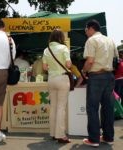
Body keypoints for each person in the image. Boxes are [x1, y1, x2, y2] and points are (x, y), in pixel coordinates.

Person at [81, 19, 118, 147]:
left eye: (86, 30)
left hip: (96, 76)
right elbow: (116, 59)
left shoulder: (91, 40)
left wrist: (83, 71)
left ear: (91, 28)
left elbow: (90, 61)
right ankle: (108, 137)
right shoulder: (110, 40)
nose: (85, 32)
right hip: (109, 76)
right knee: (108, 108)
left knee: (92, 108)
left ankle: (94, 139)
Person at [42, 29, 72, 143]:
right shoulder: (64, 48)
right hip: (62, 78)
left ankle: (53, 133)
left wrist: (53, 69)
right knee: (61, 108)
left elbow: (44, 68)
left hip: (51, 79)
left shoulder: (46, 50)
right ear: (61, 37)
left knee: (53, 107)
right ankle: (60, 135)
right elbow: (68, 64)